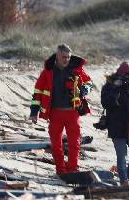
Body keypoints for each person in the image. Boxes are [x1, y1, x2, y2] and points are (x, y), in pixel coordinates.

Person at [30, 44, 92, 175]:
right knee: (56, 144)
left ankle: (73, 170)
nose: (66, 60)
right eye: (64, 57)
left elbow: (89, 82)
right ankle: (60, 171)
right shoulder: (47, 72)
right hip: (55, 113)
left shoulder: (76, 69)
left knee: (75, 143)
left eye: (68, 57)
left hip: (72, 112)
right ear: (57, 56)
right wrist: (33, 112)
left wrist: (86, 89)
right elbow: (37, 92)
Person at [101, 62, 129, 184]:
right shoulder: (109, 86)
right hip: (116, 127)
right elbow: (105, 103)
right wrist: (116, 88)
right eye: (127, 76)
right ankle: (124, 180)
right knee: (121, 156)